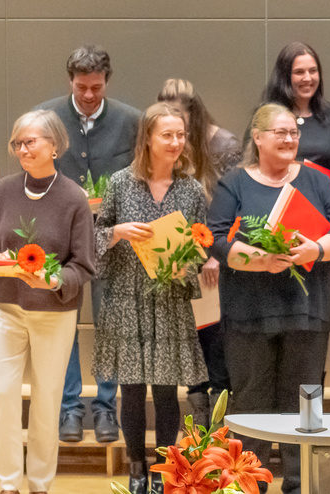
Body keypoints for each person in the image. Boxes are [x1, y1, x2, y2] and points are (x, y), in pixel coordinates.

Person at [207, 103, 330, 494]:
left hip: (307, 312)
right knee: (252, 403)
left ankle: (299, 483)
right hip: (249, 314)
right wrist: (260, 261)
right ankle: (249, 484)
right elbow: (217, 239)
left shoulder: (317, 180)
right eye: (281, 132)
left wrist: (316, 250)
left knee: (301, 405)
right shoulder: (234, 183)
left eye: (294, 133)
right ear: (258, 138)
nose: (290, 139)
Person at [0, 110, 96, 494]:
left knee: (47, 399)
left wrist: (55, 279)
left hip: (53, 312)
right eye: (17, 143)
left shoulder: (74, 197)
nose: (22, 149)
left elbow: (84, 266)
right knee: (5, 394)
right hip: (5, 307)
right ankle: (8, 484)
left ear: (55, 146)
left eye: (30, 142)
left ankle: (40, 483)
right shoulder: (4, 190)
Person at [93, 103, 210, 494]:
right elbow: (93, 238)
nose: (176, 143)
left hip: (170, 301)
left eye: (181, 135)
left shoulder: (192, 190)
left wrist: (187, 265)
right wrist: (118, 232)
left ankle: (163, 467)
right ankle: (137, 467)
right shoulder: (120, 183)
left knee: (165, 393)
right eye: (167, 135)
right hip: (127, 300)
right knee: (131, 390)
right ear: (147, 138)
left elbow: (202, 244)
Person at [36, 44, 141, 444]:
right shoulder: (46, 118)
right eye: (82, 87)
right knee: (63, 324)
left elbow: (140, 177)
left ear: (106, 83)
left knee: (110, 327)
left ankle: (105, 409)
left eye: (96, 88)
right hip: (61, 239)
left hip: (113, 239)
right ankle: (69, 408)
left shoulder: (132, 120)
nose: (89, 95)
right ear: (70, 82)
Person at [158, 79, 241, 427]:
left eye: (181, 113)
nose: (176, 122)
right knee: (190, 351)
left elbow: (238, 204)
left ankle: (222, 432)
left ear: (194, 111)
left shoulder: (222, 144)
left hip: (217, 260)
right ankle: (199, 429)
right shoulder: (164, 144)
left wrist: (214, 255)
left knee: (217, 350)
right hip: (178, 262)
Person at [259, 42, 330, 172]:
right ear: (285, 77)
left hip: (323, 191)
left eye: (313, 71)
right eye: (299, 72)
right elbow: (251, 165)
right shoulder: (265, 118)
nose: (307, 78)